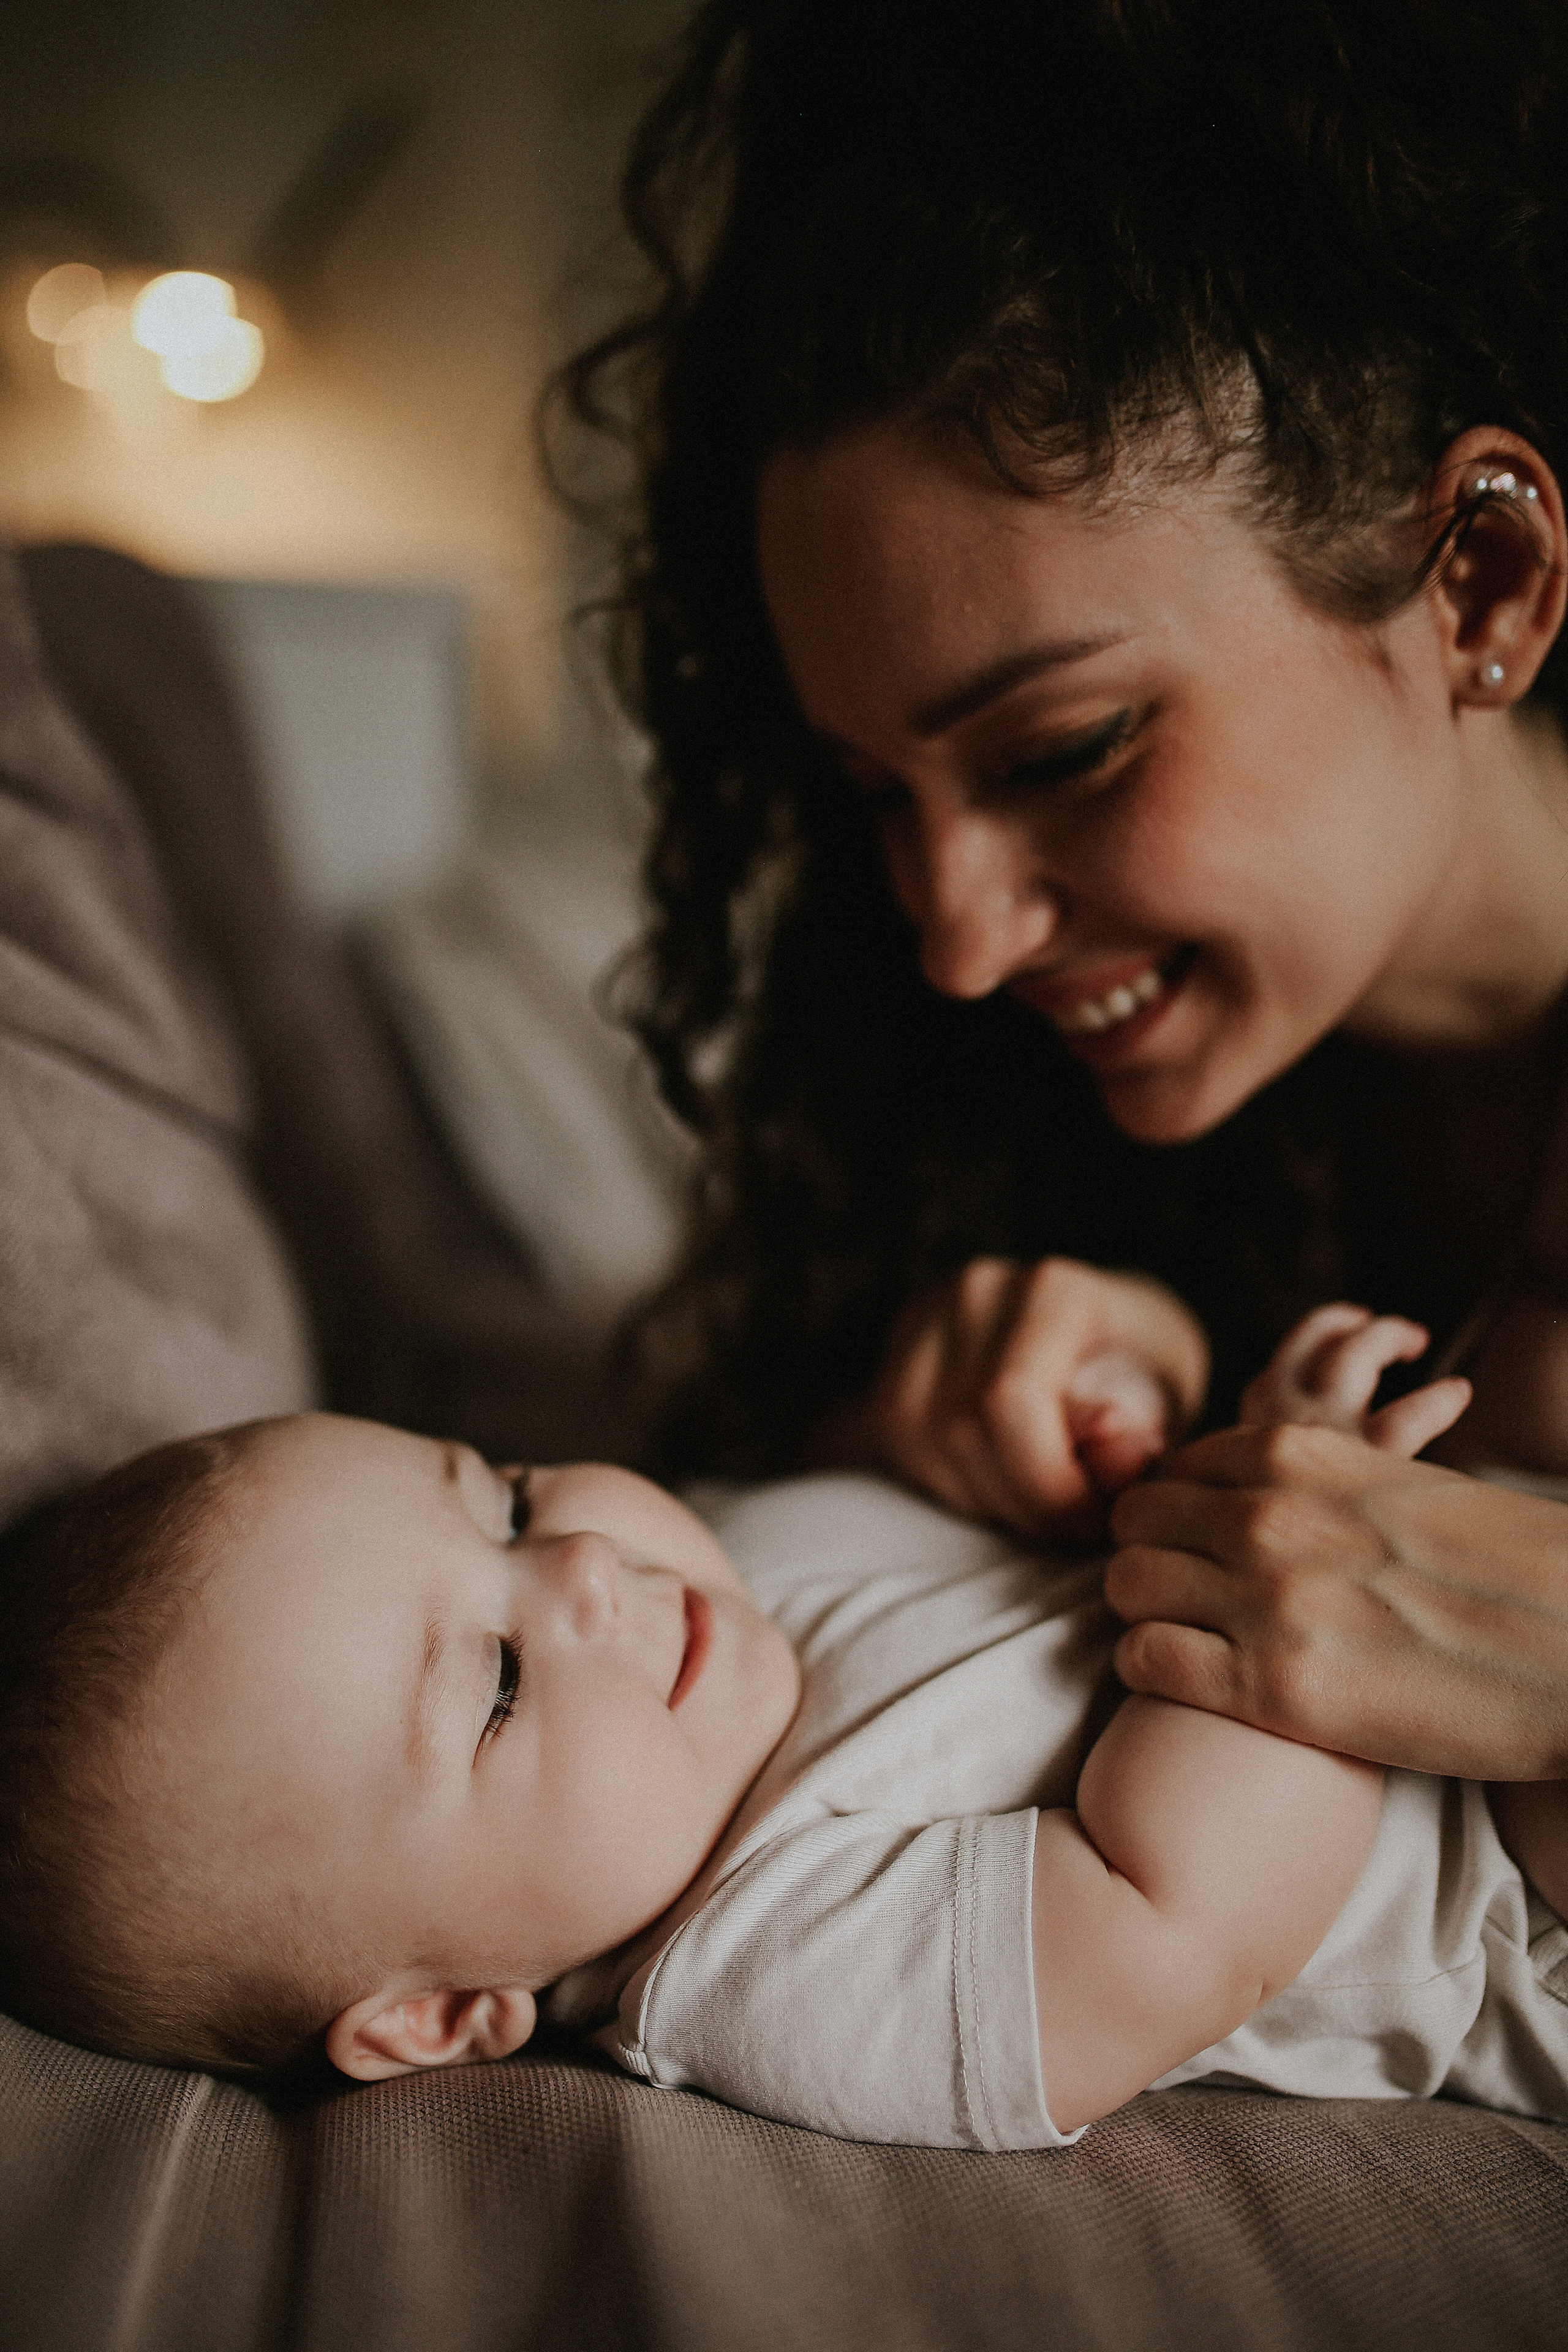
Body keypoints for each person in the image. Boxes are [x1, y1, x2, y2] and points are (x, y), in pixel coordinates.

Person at [556, 0, 1568, 1793]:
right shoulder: (1011, 1137)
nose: (955, 941)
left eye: (1062, 750)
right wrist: (932, 1442)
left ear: (1480, 582)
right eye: (874, 792)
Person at [0, 1306, 1564, 2145]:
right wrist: (1284, 1501)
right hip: (1491, 1876)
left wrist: (1139, 1436)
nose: (585, 1571)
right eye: (492, 1687)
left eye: (503, 1493)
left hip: (1425, 1583)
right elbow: (1185, 1926)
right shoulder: (762, 1962)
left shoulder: (716, 1559)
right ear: (439, 2013)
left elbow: (986, 1511)